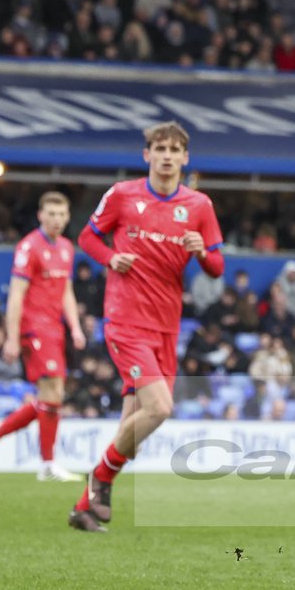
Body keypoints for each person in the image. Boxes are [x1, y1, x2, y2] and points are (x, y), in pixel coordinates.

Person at [66, 122, 225, 532]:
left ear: (185, 157)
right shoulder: (123, 194)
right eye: (160, 147)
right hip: (125, 319)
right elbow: (87, 237)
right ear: (147, 154)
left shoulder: (199, 205)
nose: (167, 155)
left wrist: (201, 253)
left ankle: (84, 508)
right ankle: (99, 478)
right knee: (160, 408)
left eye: (175, 149)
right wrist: (109, 258)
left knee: (131, 427)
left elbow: (217, 266)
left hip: (167, 326)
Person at [0, 191, 87, 481]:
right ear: (40, 215)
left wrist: (75, 326)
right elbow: (16, 296)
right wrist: (12, 337)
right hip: (34, 328)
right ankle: (47, 464)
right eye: (51, 214)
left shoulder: (66, 248)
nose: (57, 220)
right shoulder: (29, 247)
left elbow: (67, 292)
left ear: (68, 216)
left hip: (55, 328)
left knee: (50, 398)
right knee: (54, 393)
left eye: (62, 214)